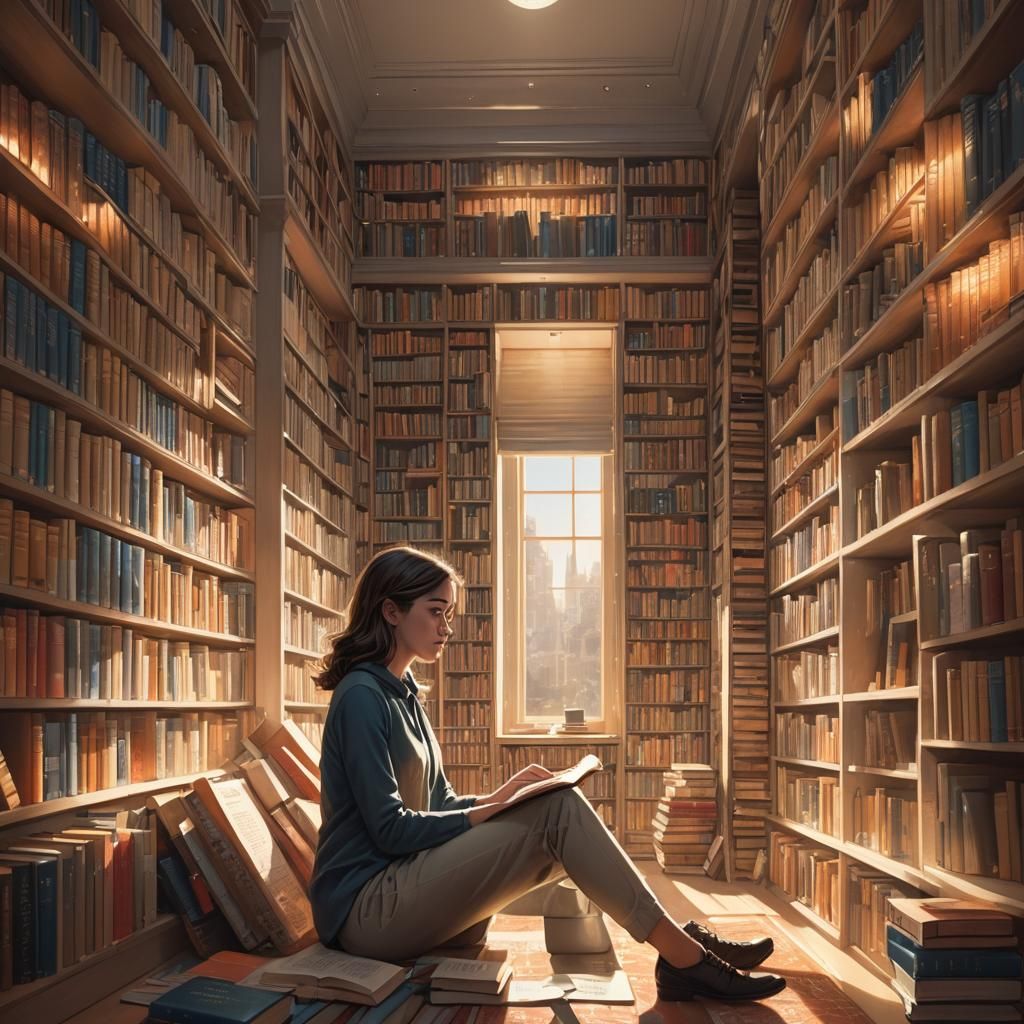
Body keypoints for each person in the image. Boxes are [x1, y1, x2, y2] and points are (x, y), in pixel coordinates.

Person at [309, 546, 786, 1003]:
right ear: (391, 611)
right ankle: (684, 959)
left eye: (449, 614)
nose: (447, 627)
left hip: (406, 888)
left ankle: (680, 945)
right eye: (436, 611)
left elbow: (438, 803)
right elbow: (391, 828)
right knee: (556, 811)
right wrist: (495, 811)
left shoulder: (405, 691)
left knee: (552, 809)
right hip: (367, 912)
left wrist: (503, 795)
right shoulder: (362, 697)